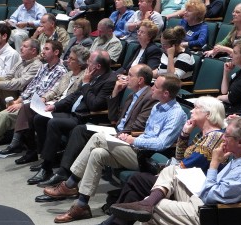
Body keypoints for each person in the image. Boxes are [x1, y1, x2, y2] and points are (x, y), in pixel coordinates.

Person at [43, 75, 187, 223]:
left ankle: (70, 184)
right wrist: (128, 137)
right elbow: (148, 134)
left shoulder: (176, 114)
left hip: (150, 158)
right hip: (136, 149)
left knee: (98, 138)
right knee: (98, 153)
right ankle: (81, 205)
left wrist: (134, 140)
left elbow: (162, 143)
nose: (152, 88)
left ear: (166, 94)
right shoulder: (157, 106)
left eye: (155, 86)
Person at [110, 117, 241, 225]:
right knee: (172, 170)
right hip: (203, 195)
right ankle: (147, 203)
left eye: (227, 135)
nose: (222, 137)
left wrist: (215, 163)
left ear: (240, 142)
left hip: (207, 211)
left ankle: (147, 204)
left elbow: (210, 197)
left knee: (156, 207)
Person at [100, 95, 226, 225]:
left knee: (137, 180)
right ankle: (113, 222)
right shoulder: (202, 135)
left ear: (208, 114)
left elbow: (186, 165)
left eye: (196, 108)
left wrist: (163, 175)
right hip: (181, 181)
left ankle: (111, 222)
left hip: (193, 191)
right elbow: (180, 158)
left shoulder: (216, 137)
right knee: (135, 189)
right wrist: (184, 134)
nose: (191, 111)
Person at [30, 64, 158, 188]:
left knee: (80, 129)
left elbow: (137, 126)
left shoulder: (148, 97)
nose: (125, 78)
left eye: (130, 75)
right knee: (80, 130)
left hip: (125, 136)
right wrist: (115, 93)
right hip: (116, 129)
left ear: (140, 80)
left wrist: (116, 134)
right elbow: (113, 118)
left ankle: (65, 175)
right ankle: (62, 172)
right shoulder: (132, 94)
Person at [0, 40, 66, 160]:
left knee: (5, 114)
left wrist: (22, 103)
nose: (43, 51)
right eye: (43, 48)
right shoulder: (44, 67)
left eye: (47, 49)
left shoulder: (59, 71)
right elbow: (31, 87)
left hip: (38, 106)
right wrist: (19, 100)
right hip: (23, 99)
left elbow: (48, 95)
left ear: (56, 52)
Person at [12, 50, 116, 165]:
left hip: (85, 117)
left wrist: (86, 84)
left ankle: (48, 164)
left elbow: (95, 105)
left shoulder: (109, 80)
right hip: (73, 112)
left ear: (98, 66)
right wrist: (55, 106)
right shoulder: (92, 74)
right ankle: (43, 155)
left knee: (53, 122)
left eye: (89, 61)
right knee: (39, 118)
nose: (87, 63)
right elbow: (74, 95)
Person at [0, 45, 90, 157]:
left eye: (72, 59)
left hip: (63, 107)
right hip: (52, 102)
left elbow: (72, 98)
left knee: (34, 115)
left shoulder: (84, 77)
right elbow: (54, 90)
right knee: (27, 107)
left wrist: (53, 104)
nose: (68, 60)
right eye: (69, 57)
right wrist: (44, 98)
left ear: (80, 63)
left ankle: (31, 149)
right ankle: (31, 148)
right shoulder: (68, 74)